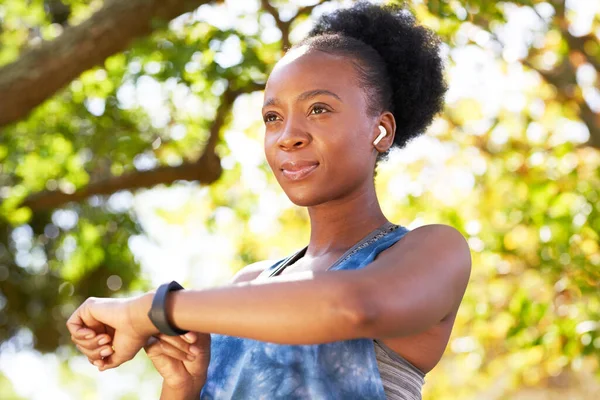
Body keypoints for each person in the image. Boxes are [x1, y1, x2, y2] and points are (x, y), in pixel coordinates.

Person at [68, 2, 471, 399]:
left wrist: (150, 311)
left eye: (318, 109)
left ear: (380, 131)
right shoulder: (249, 284)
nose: (287, 135)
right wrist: (184, 387)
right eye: (273, 117)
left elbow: (351, 307)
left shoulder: (432, 250)